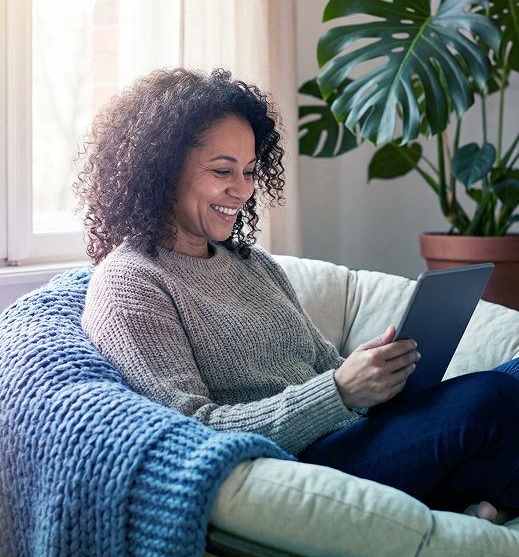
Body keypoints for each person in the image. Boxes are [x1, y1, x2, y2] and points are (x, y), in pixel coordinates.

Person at [77, 67, 519, 525]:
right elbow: (191, 433)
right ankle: (491, 494)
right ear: (161, 170)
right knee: (491, 399)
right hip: (292, 470)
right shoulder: (132, 282)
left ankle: (485, 497)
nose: (242, 190)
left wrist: (372, 375)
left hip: (353, 437)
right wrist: (338, 392)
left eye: (249, 172)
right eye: (222, 170)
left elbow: (325, 368)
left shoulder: (253, 264)